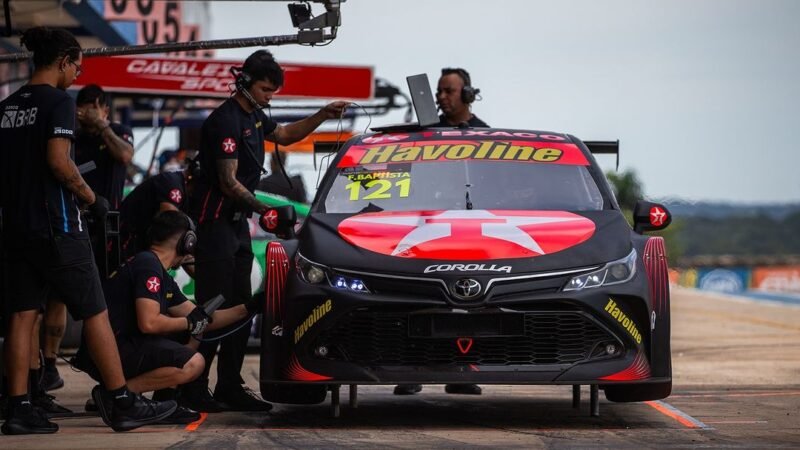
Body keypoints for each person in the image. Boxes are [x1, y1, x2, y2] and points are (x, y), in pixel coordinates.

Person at [0, 27, 176, 435]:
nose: (77, 74)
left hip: (16, 229)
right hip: (59, 227)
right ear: (62, 61)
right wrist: (91, 198)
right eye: (76, 65)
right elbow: (60, 162)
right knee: (95, 309)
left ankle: (18, 407)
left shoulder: (7, 107)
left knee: (22, 315)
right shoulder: (59, 103)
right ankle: (120, 400)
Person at [185, 49, 347, 412]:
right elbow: (228, 182)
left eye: (273, 91)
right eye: (264, 89)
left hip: (237, 226)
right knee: (213, 308)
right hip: (214, 228)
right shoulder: (224, 121)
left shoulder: (255, 118)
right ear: (243, 82)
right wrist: (266, 210)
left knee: (243, 309)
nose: (268, 96)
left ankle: (229, 384)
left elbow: (287, 134)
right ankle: (192, 385)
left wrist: (322, 114)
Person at [75, 211, 262, 423]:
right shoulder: (148, 265)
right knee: (194, 363)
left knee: (192, 332)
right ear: (187, 242)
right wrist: (191, 322)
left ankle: (162, 400)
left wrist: (249, 307)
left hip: (121, 347)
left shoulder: (157, 269)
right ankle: (117, 396)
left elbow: (201, 319)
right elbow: (149, 323)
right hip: (113, 351)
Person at [394, 67, 488, 397]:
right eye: (439, 91)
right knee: (417, 298)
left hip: (469, 230)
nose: (442, 97)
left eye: (449, 91)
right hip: (424, 226)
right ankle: (412, 369)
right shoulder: (424, 134)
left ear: (467, 95)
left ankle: (462, 371)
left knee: (468, 302)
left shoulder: (486, 136)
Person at [40, 84, 135, 392]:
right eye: (80, 110)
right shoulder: (71, 135)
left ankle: (105, 374)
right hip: (70, 224)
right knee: (56, 296)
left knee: (107, 299)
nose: (84, 115)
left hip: (108, 228)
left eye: (91, 109)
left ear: (103, 108)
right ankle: (49, 365)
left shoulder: (117, 131)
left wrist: (102, 125)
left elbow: (125, 155)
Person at [119, 160, 196, 260]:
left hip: (139, 249)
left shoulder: (185, 193)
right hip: (126, 243)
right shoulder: (172, 183)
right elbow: (172, 231)